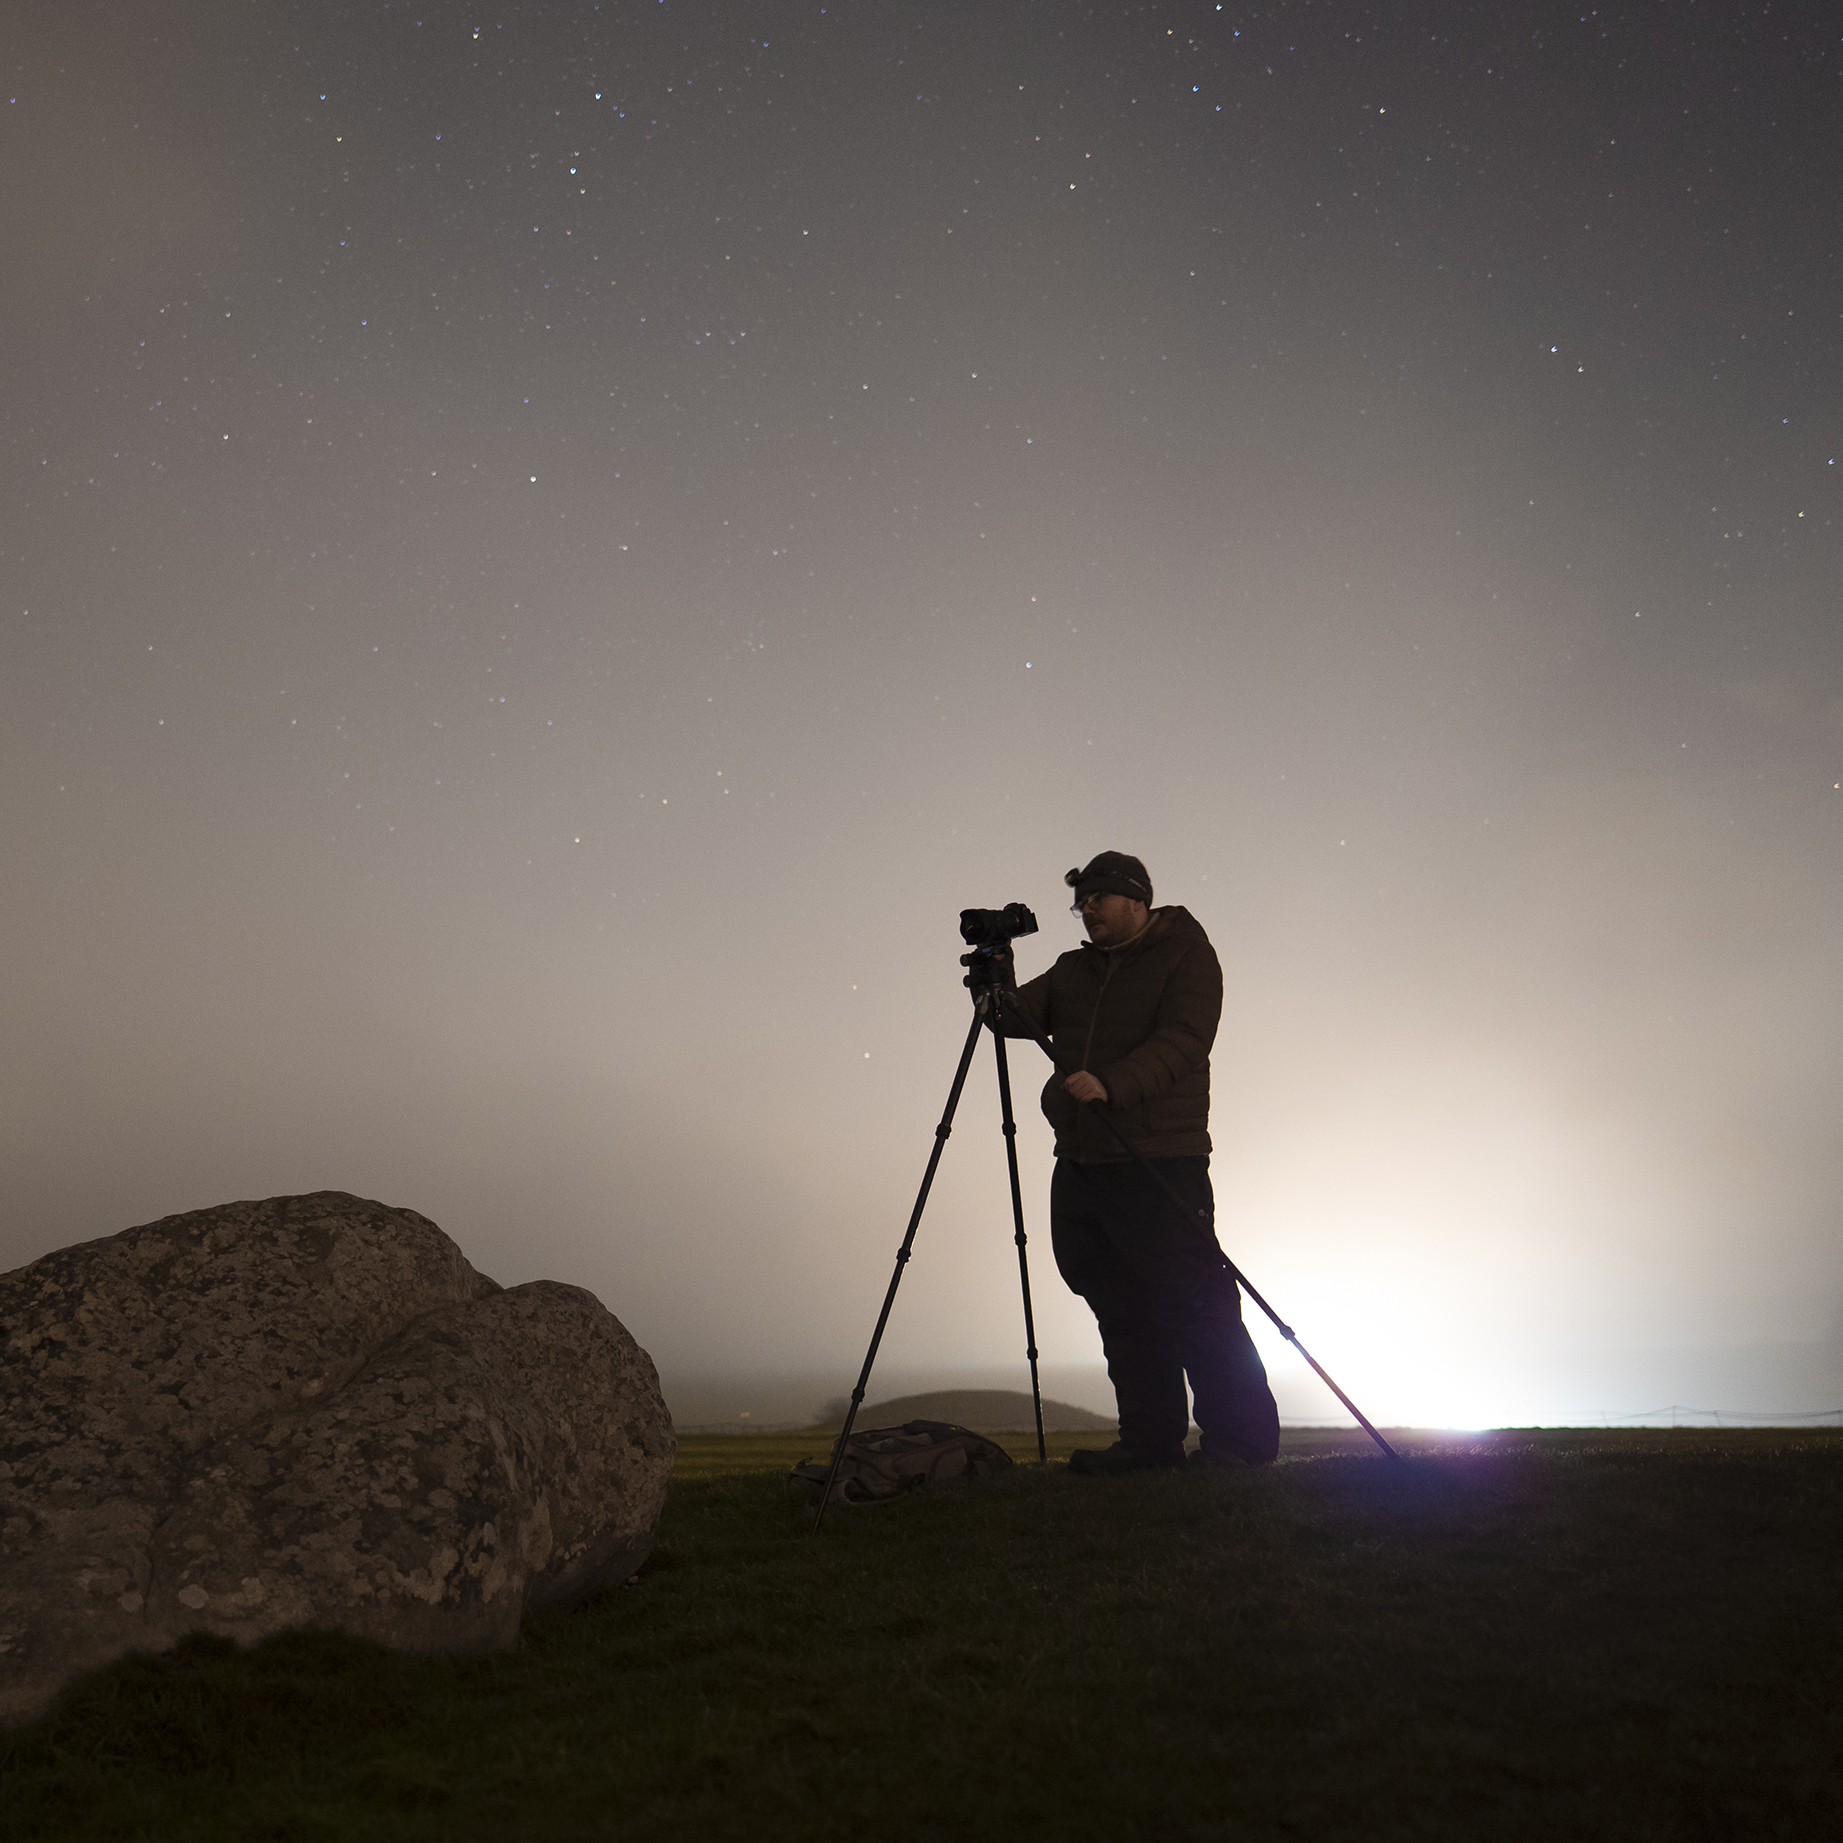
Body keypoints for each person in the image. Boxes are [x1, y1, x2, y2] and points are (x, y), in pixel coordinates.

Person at [985, 850, 1280, 1474]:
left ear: (1136, 899)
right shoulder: (1073, 970)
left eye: (1097, 898)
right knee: (1119, 1306)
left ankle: (1241, 1444)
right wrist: (995, 982)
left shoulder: (1185, 954)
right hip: (1085, 1159)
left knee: (1193, 1302)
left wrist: (1111, 1084)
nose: (1086, 910)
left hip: (1159, 1156)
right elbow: (1011, 1020)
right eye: (1081, 901)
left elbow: (1186, 1038)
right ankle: (1149, 1443)